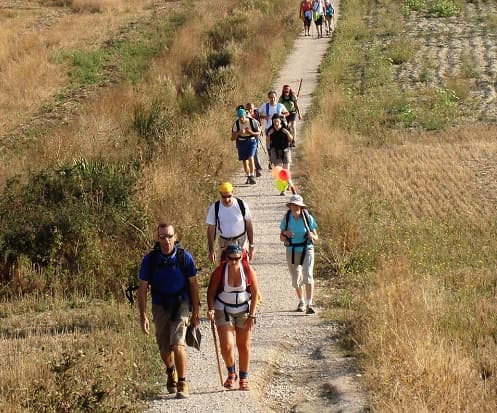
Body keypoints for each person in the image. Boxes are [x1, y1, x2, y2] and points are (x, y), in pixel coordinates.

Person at [137, 222, 200, 399]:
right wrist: (143, 316)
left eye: (170, 236)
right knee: (164, 348)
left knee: (177, 343)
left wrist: (195, 312)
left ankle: (182, 382)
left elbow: (193, 285)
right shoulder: (150, 260)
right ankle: (170, 370)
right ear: (158, 238)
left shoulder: (184, 257)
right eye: (163, 236)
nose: (166, 240)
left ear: (175, 236)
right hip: (159, 305)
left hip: (181, 303)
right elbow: (142, 289)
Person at [207, 244, 260, 391]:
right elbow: (211, 292)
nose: (234, 261)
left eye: (237, 258)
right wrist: (211, 309)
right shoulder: (219, 272)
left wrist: (252, 315)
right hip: (223, 308)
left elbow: (255, 293)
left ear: (241, 257)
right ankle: (231, 373)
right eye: (231, 259)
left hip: (243, 309)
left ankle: (243, 378)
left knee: (244, 345)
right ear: (226, 258)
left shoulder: (248, 271)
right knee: (227, 346)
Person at [279, 195, 318, 314]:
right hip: (292, 250)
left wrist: (312, 236)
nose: (294, 207)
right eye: (292, 205)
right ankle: (301, 301)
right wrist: (285, 234)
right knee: (296, 280)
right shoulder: (286, 218)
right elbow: (281, 238)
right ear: (290, 206)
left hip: (307, 249)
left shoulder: (307, 218)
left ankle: (309, 304)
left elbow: (316, 237)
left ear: (301, 207)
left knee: (308, 276)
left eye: (297, 205)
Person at [206, 182, 255, 264]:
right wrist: (211, 250)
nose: (227, 199)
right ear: (220, 194)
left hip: (241, 242)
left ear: (233, 193)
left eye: (229, 196)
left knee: (246, 269)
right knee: (222, 269)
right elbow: (211, 230)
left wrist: (251, 245)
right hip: (224, 243)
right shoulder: (215, 208)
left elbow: (249, 225)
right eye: (224, 197)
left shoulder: (241, 205)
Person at [232, 107, 261, 185]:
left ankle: (252, 175)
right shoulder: (236, 124)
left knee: (250, 157)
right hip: (241, 142)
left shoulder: (252, 121)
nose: (241, 119)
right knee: (244, 160)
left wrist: (251, 132)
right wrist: (238, 133)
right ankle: (248, 176)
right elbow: (232, 138)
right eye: (239, 117)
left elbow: (259, 132)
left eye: (242, 117)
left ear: (245, 115)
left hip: (251, 141)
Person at [267, 115, 293, 195]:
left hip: (286, 150)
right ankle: (283, 189)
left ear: (280, 121)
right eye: (274, 121)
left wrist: (287, 133)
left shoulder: (285, 128)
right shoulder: (270, 130)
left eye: (277, 121)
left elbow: (291, 139)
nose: (276, 123)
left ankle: (288, 184)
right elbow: (267, 142)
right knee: (280, 172)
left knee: (285, 171)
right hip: (275, 151)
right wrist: (269, 135)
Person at [245, 102, 263, 177]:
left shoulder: (256, 113)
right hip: (246, 136)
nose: (250, 110)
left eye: (251, 108)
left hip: (255, 135)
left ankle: (257, 169)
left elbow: (260, 124)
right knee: (248, 154)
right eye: (248, 108)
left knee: (255, 152)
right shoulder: (244, 115)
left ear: (253, 108)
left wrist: (260, 131)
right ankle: (252, 170)